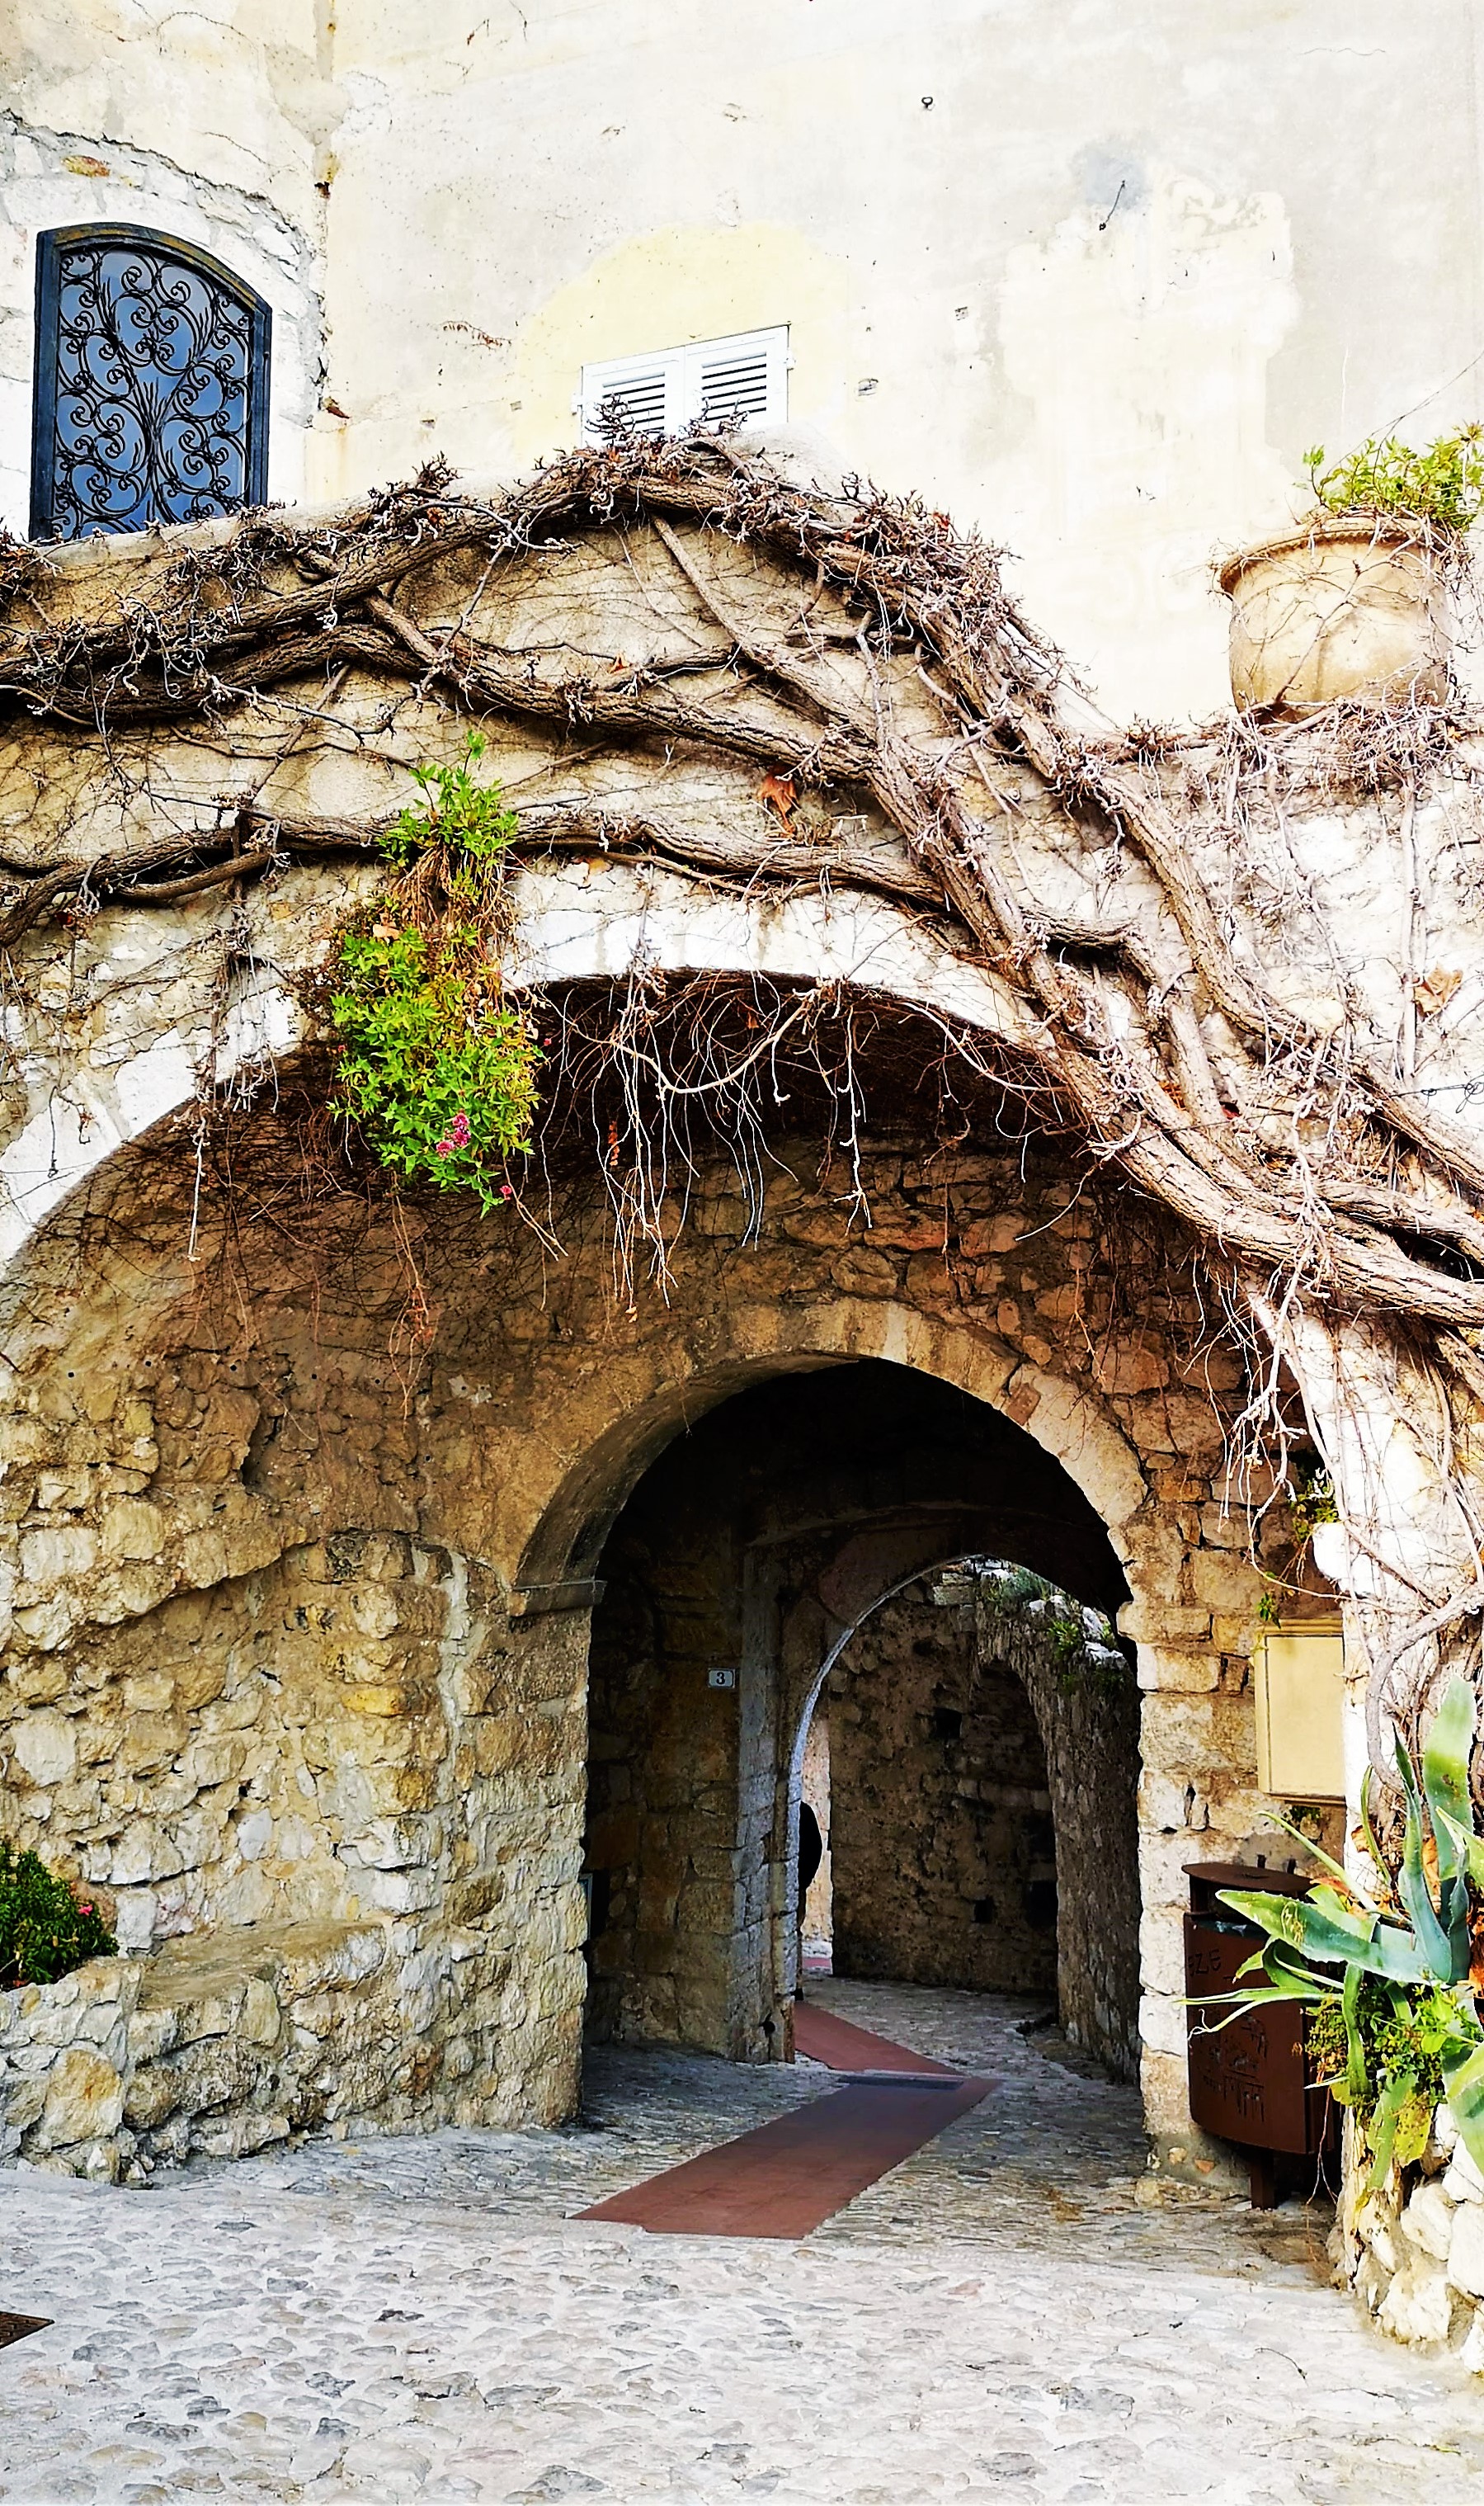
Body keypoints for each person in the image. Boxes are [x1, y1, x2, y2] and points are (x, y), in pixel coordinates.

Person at [796, 1800, 823, 1998]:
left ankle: (794, 1982)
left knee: (793, 1931)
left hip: (796, 1884)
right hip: (797, 1883)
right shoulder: (803, 1811)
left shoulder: (802, 1812)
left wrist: (802, 1880)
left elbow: (814, 1848)